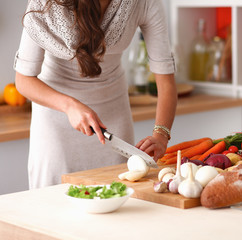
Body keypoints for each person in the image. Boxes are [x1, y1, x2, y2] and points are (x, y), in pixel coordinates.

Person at [14, 0, 177, 189]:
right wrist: (69, 106)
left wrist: (161, 135)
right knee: (54, 207)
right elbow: (24, 81)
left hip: (114, 121)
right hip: (56, 122)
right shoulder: (45, 3)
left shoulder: (142, 3)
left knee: (117, 201)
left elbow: (165, 82)